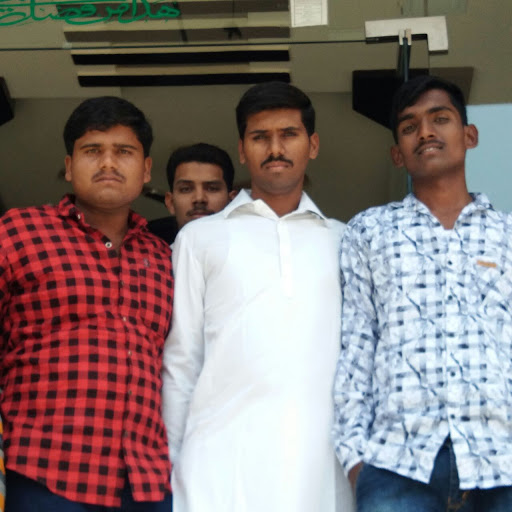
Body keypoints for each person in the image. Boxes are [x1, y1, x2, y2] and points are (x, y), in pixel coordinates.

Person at [162, 81, 354, 512]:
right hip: (216, 474)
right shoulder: (200, 238)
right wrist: (172, 469)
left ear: (313, 145)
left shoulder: (344, 241)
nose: (275, 148)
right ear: (242, 150)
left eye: (289, 134)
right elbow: (181, 361)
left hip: (321, 473)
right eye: (260, 137)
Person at [333, 75, 512, 511]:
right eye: (410, 126)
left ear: (470, 135)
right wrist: (355, 458)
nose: (426, 132)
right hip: (397, 463)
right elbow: (356, 346)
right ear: (397, 154)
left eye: (440, 119)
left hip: (502, 459)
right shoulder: (369, 231)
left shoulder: (507, 234)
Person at [0, 96, 174, 511]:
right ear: (69, 165)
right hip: (44, 474)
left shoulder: (165, 258)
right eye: (92, 150)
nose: (108, 163)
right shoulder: (18, 232)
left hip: (146, 483)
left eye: (124, 151)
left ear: (146, 169)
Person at [147, 143, 236, 244]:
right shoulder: (152, 253)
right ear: (170, 203)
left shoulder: (249, 250)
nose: (199, 198)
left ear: (232, 202)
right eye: (186, 189)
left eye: (212, 189)